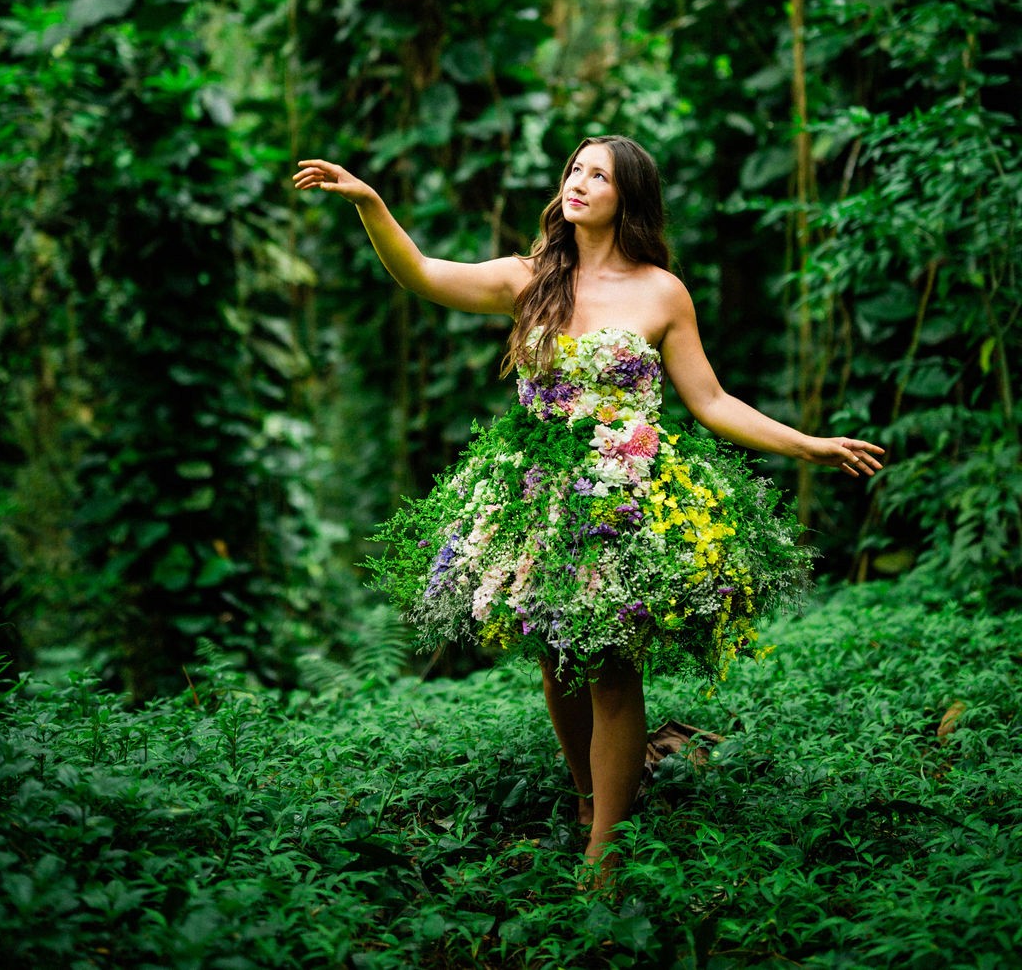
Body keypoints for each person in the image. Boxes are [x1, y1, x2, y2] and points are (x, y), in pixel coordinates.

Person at [293, 135, 883, 881]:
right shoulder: (528, 277)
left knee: (609, 667)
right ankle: (586, 797)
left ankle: (606, 851)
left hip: (621, 500)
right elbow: (420, 274)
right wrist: (372, 203)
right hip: (537, 496)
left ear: (625, 197)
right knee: (558, 657)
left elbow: (711, 400)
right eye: (575, 167)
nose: (578, 181)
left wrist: (808, 444)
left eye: (598, 174)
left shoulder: (662, 292)